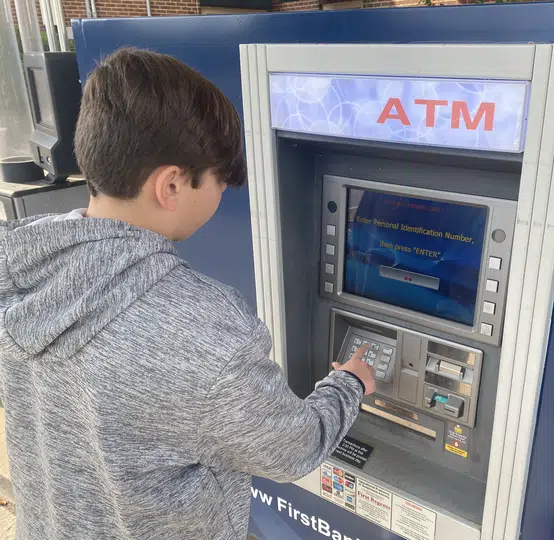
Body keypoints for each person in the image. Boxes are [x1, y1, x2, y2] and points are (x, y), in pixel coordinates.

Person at [0, 47, 375, 539]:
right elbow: (292, 450)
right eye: (219, 182)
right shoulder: (204, 333)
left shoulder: (18, 269)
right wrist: (350, 384)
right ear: (172, 185)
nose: (220, 197)